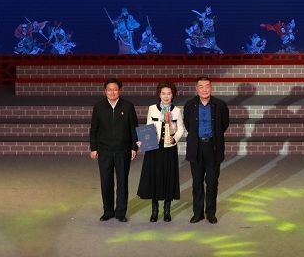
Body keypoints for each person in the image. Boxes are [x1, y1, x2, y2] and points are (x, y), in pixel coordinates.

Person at [89, 78, 139, 222]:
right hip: (104, 150)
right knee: (106, 182)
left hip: (123, 150)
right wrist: (94, 148)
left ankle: (120, 213)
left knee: (122, 182)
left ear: (120, 91)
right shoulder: (99, 107)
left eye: (115, 89)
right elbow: (94, 129)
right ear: (105, 91)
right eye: (109, 90)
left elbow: (134, 128)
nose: (112, 92)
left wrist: (133, 147)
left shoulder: (128, 106)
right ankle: (108, 211)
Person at [183, 76, 230, 224]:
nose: (204, 89)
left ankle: (210, 213)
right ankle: (198, 213)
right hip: (196, 147)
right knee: (197, 182)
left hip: (213, 147)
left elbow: (224, 124)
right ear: (196, 89)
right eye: (201, 87)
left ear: (211, 87)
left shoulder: (220, 104)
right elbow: (187, 124)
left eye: (207, 86)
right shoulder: (190, 105)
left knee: (212, 182)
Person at [137, 81, 184, 222]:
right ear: (159, 95)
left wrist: (175, 138)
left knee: (168, 176)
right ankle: (155, 210)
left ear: (172, 95)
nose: (166, 96)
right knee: (154, 177)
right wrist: (144, 140)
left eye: (169, 93)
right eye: (163, 93)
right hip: (154, 148)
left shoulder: (177, 111)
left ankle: (167, 209)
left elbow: (181, 128)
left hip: (169, 149)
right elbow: (148, 126)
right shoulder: (152, 109)